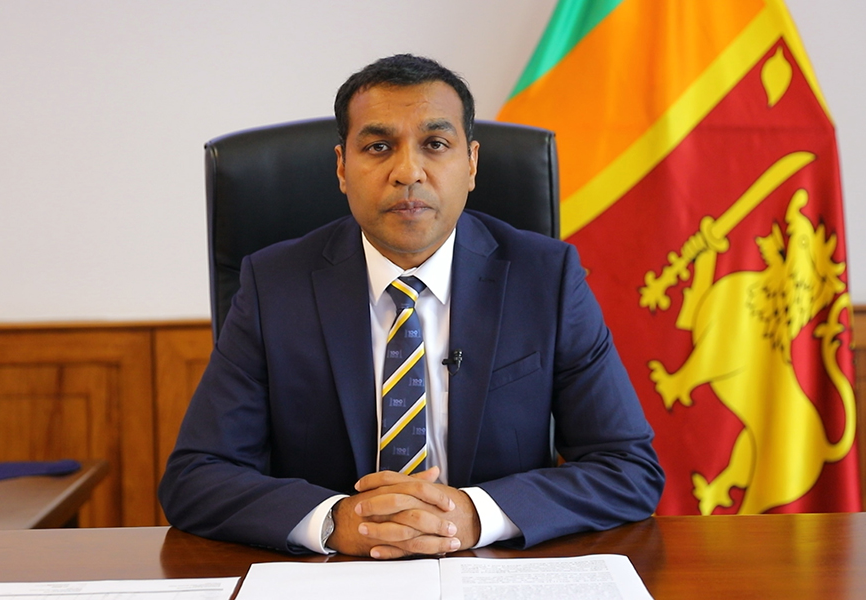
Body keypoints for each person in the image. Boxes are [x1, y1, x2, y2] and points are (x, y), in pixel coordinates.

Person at [159, 54, 664, 559]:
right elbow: (195, 477)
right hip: (332, 580)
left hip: (495, 572)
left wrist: (476, 515)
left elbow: (627, 467)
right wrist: (335, 521)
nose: (407, 172)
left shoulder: (545, 278)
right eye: (378, 147)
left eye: (436, 144)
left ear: (471, 164)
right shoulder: (274, 286)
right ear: (341, 167)